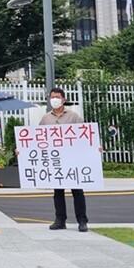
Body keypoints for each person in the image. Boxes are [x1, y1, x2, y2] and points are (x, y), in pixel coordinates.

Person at [39, 87, 89, 232]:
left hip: (72, 159)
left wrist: (95, 147)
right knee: (58, 191)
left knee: (77, 191)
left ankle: (82, 221)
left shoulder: (73, 117)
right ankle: (60, 220)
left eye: (57, 97)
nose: (54, 99)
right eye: (52, 97)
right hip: (56, 161)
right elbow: (38, 139)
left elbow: (85, 135)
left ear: (63, 100)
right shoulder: (46, 118)